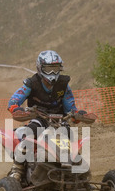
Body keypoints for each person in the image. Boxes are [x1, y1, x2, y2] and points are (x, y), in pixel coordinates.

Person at [7, 50, 87, 181]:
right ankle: (17, 169)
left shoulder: (63, 85)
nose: (52, 73)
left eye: (55, 69)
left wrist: (77, 115)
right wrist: (15, 108)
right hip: (40, 118)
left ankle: (74, 170)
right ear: (40, 68)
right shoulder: (31, 83)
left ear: (60, 68)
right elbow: (14, 100)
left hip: (60, 120)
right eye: (49, 69)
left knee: (70, 136)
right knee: (30, 132)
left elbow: (71, 107)